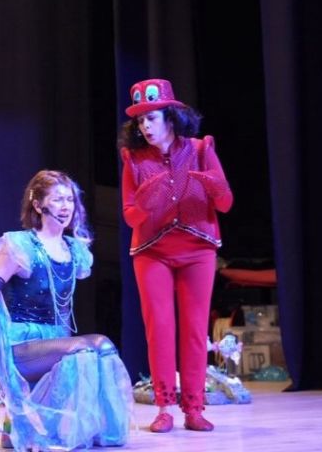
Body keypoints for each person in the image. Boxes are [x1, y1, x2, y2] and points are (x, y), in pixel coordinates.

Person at [0, 170, 133, 451]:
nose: (66, 206)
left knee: (99, 348)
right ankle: (39, 430)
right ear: (38, 205)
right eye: (57, 199)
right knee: (87, 347)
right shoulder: (20, 247)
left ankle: (68, 430)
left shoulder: (74, 250)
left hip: (54, 341)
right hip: (20, 345)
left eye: (69, 199)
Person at [118, 78, 233, 433]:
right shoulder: (134, 159)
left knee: (195, 329)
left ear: (170, 117)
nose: (145, 126)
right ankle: (165, 407)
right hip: (153, 251)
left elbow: (225, 203)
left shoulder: (200, 149)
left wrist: (214, 186)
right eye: (140, 121)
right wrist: (145, 202)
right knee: (160, 328)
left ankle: (194, 408)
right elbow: (130, 216)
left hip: (198, 248)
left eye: (151, 118)